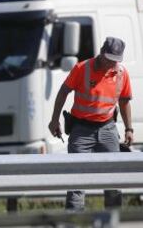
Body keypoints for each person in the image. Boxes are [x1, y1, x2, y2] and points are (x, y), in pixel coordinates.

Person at [48, 37, 133, 211]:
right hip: (81, 129)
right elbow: (63, 92)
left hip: (108, 128)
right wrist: (55, 119)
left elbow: (124, 101)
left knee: (114, 181)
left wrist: (129, 128)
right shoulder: (82, 68)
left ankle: (113, 220)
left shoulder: (122, 73)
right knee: (77, 182)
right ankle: (74, 221)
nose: (112, 63)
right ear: (101, 53)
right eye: (109, 58)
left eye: (116, 60)